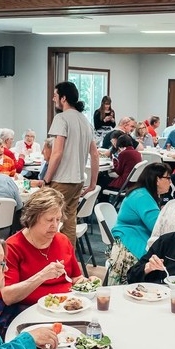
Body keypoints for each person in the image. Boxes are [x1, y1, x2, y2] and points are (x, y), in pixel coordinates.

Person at [0, 188, 85, 330]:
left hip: (66, 311)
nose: (55, 225)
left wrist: (85, 284)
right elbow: (8, 296)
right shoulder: (12, 247)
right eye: (49, 220)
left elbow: (75, 278)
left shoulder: (62, 240)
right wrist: (42, 276)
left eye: (58, 219)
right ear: (32, 218)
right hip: (27, 314)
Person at [45, 82, 98, 245]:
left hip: (62, 179)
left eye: (55, 96)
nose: (53, 99)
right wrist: (92, 184)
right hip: (77, 180)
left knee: (48, 220)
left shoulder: (61, 118)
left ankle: (53, 260)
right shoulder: (85, 121)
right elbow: (94, 154)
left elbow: (57, 153)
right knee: (69, 222)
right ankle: (68, 261)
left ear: (63, 98)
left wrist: (46, 180)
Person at [108, 163, 170, 284]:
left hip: (130, 233)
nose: (170, 182)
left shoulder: (142, 192)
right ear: (157, 179)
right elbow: (157, 226)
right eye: (168, 178)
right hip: (130, 239)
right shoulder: (142, 196)